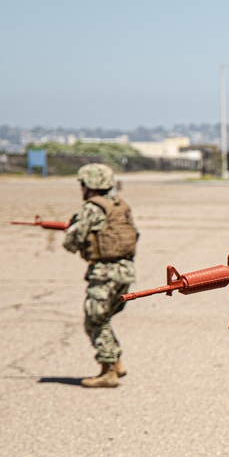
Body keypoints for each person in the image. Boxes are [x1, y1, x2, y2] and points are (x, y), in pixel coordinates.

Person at [62, 163, 137, 388]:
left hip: (104, 273)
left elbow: (71, 242)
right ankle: (115, 361)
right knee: (102, 318)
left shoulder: (92, 209)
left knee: (94, 320)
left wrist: (74, 234)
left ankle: (109, 371)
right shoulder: (120, 205)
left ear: (90, 185)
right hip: (125, 271)